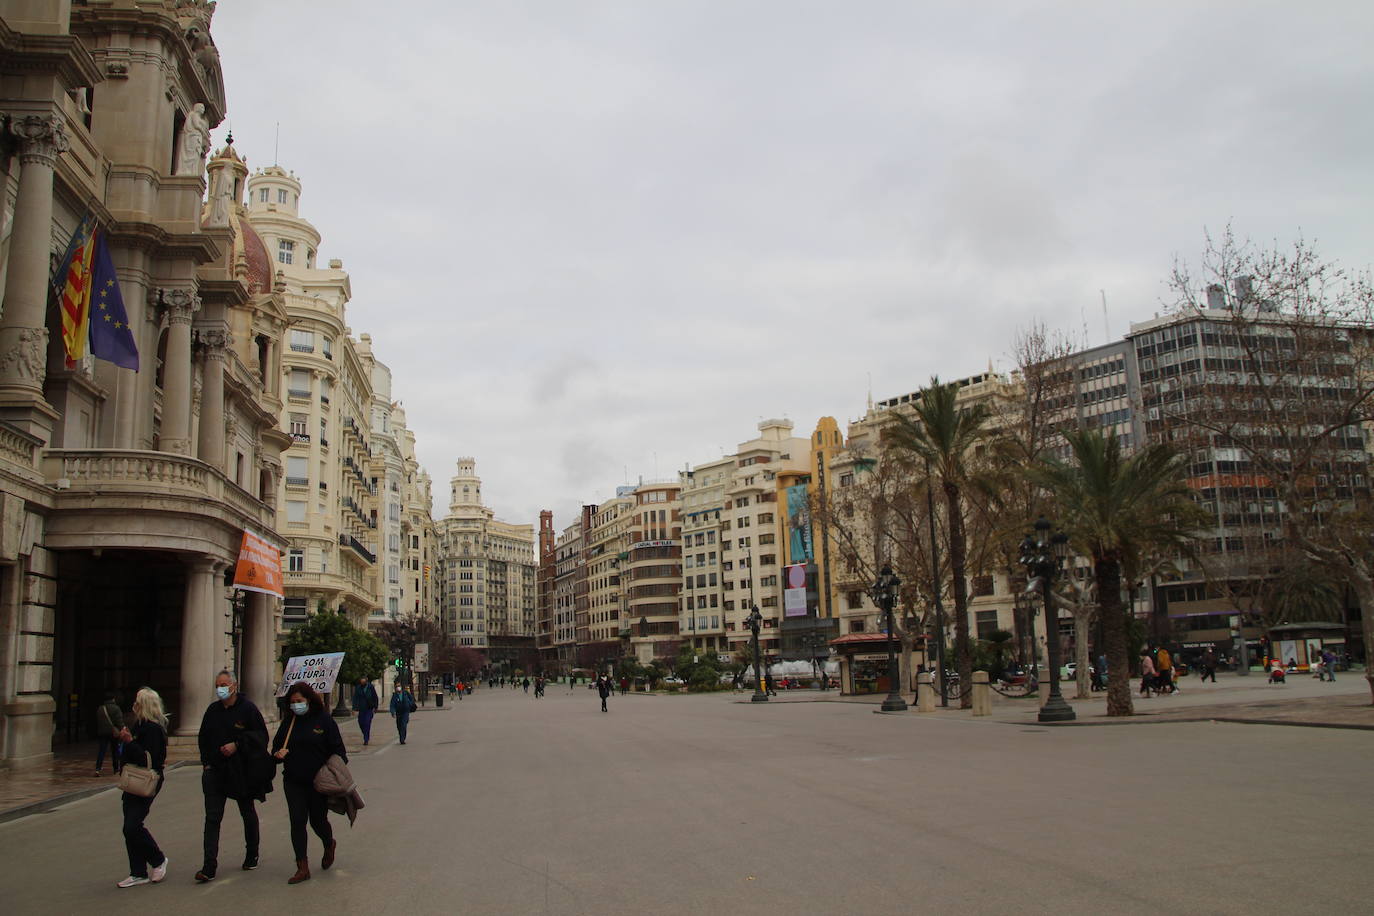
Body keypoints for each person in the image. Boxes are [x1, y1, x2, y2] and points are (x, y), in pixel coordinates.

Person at [195, 670, 270, 882]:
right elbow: (203, 738)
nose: (220, 688)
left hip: (241, 772)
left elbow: (261, 737)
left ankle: (252, 853)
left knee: (247, 811)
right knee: (212, 818)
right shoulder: (212, 711)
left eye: (224, 684)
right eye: (217, 684)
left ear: (234, 686)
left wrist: (237, 744)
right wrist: (206, 763)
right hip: (215, 771)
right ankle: (209, 865)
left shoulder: (248, 710)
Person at [272, 682, 346, 885]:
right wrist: (278, 754)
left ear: (309, 700)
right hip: (294, 781)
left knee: (317, 821)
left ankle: (328, 843)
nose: (296, 705)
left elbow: (339, 751)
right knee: (297, 822)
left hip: (318, 783)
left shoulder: (324, 721)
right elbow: (276, 748)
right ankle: (301, 866)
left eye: (300, 701)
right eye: (293, 702)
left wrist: (332, 770)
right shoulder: (289, 722)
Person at [115, 687, 170, 888]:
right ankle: (137, 871)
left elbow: (152, 760)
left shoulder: (153, 729)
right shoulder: (139, 725)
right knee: (129, 827)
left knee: (132, 825)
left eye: (138, 702)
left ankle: (158, 859)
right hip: (132, 779)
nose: (134, 705)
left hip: (146, 780)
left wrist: (129, 743)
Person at [96, 690, 124, 777]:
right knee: (115, 750)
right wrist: (122, 729)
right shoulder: (116, 708)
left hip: (102, 732)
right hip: (113, 733)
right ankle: (116, 769)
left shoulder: (100, 708)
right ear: (113, 699)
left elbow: (98, 721)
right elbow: (119, 721)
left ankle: (98, 768)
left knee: (102, 751)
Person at [351, 677, 379, 746]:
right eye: (361, 682)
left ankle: (366, 739)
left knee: (367, 722)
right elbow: (355, 698)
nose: (362, 683)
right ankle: (365, 734)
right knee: (361, 723)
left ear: (366, 681)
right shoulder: (358, 688)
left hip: (369, 708)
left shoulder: (370, 687)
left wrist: (375, 707)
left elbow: (375, 697)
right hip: (361, 709)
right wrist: (354, 708)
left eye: (363, 681)